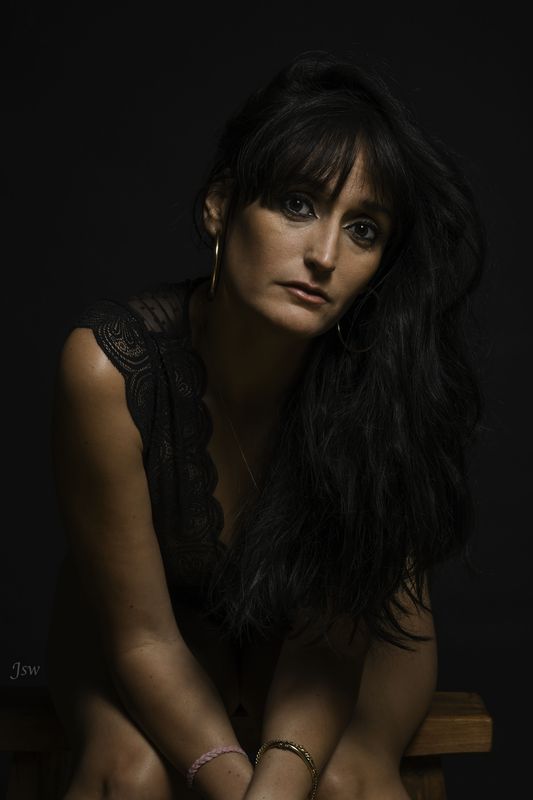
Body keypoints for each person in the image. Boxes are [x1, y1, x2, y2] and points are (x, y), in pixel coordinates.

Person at [46, 49, 485, 800]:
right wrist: (231, 780)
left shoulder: (382, 386)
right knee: (130, 775)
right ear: (221, 206)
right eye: (297, 204)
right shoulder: (111, 369)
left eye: (364, 230)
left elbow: (328, 649)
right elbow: (144, 638)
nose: (324, 256)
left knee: (346, 781)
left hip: (350, 633)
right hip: (148, 627)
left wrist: (275, 786)